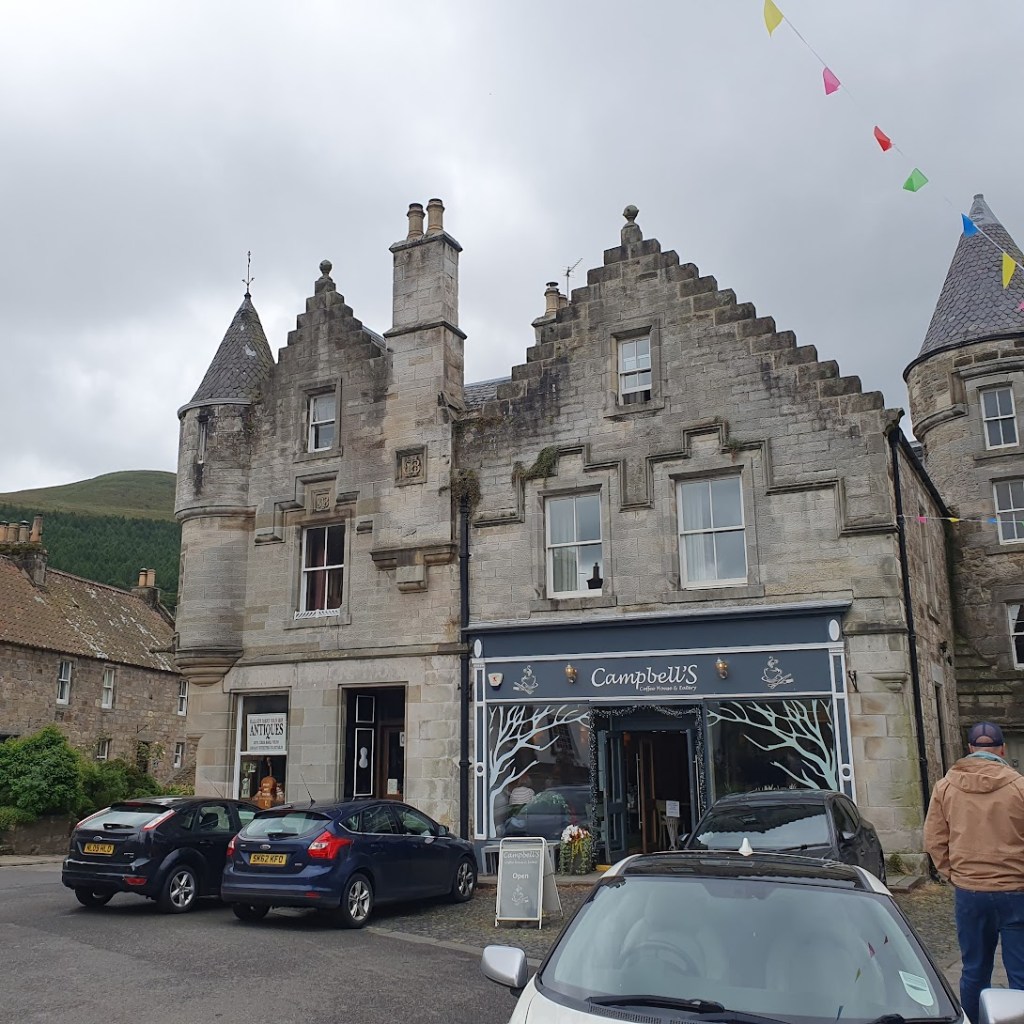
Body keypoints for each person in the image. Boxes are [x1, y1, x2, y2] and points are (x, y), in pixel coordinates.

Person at [924, 721, 1024, 1023]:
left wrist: (953, 874)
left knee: (974, 970)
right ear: (1002, 749)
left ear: (969, 749)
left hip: (970, 892)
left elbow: (934, 840)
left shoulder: (946, 787)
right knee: (1020, 972)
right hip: (1015, 892)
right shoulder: (1019, 786)